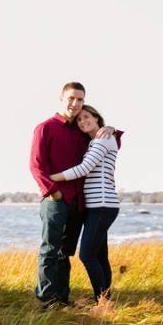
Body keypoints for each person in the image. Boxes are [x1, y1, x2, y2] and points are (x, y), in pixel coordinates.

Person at [29, 82, 117, 307]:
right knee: (50, 249)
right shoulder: (45, 128)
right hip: (55, 199)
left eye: (80, 99)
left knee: (64, 253)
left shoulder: (80, 131)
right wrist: (53, 192)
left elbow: (105, 143)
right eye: (71, 98)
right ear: (62, 98)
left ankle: (62, 298)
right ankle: (47, 299)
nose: (75, 104)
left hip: (79, 204)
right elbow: (35, 166)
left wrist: (112, 129)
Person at [49, 105, 120, 302]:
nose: (82, 122)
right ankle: (105, 299)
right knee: (100, 256)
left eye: (86, 117)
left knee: (87, 255)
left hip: (103, 206)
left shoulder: (103, 138)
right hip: (97, 207)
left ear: (97, 117)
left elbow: (84, 168)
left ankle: (102, 300)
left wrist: (52, 178)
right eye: (79, 120)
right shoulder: (97, 140)